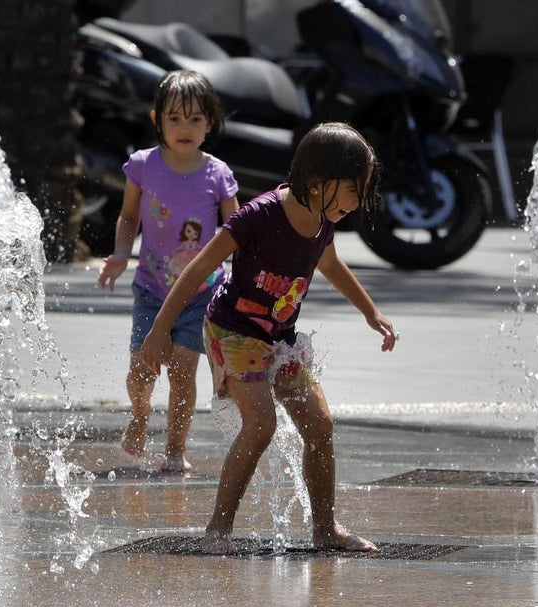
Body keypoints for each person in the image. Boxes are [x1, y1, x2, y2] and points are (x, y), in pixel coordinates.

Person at [141, 122, 396, 553]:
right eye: (353, 190)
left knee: (320, 425)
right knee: (261, 424)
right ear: (317, 184)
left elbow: (330, 265)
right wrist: (160, 330)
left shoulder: (322, 220)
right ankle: (217, 530)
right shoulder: (257, 217)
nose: (357, 202)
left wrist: (370, 311)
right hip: (233, 330)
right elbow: (199, 268)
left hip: (279, 335)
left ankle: (325, 529)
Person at [97, 69, 240, 475]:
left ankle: (176, 448)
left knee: (181, 370)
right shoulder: (142, 166)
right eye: (174, 118)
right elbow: (128, 218)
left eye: (195, 119)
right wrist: (121, 254)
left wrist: (240, 276)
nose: (185, 127)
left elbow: (236, 231)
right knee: (141, 370)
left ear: (209, 123)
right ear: (156, 119)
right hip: (152, 287)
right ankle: (140, 416)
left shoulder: (218, 174)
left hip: (201, 290)